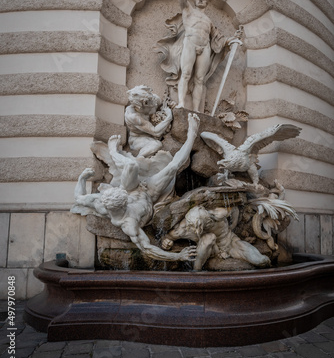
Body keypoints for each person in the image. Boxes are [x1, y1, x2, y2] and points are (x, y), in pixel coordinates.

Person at [72, 113, 200, 263]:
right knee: (173, 167)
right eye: (124, 199)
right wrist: (177, 256)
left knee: (131, 165)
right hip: (150, 195)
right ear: (123, 205)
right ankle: (192, 134)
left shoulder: (100, 201)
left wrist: (82, 178)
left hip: (133, 189)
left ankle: (113, 152)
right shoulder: (129, 224)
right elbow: (148, 249)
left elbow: (78, 198)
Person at [171, 0, 240, 112]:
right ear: (194, 0)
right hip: (190, 42)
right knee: (186, 74)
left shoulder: (209, 21)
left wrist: (233, 39)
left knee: (200, 80)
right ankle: (180, 103)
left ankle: (196, 111)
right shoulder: (187, 10)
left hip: (205, 47)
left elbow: (219, 40)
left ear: (207, 2)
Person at [161, 205, 271, 270]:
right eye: (195, 227)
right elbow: (166, 237)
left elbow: (235, 209)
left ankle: (266, 264)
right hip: (213, 250)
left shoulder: (219, 213)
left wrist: (233, 225)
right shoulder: (184, 228)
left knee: (260, 260)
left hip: (230, 242)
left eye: (201, 224)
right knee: (209, 237)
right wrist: (165, 242)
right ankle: (196, 272)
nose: (196, 229)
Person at [124, 85, 173, 157]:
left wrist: (171, 104)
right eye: (151, 103)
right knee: (155, 145)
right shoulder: (133, 116)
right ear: (144, 104)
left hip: (153, 132)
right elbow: (156, 132)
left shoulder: (152, 99)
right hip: (138, 138)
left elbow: (163, 103)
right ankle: (138, 161)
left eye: (152, 99)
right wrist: (169, 117)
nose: (154, 104)